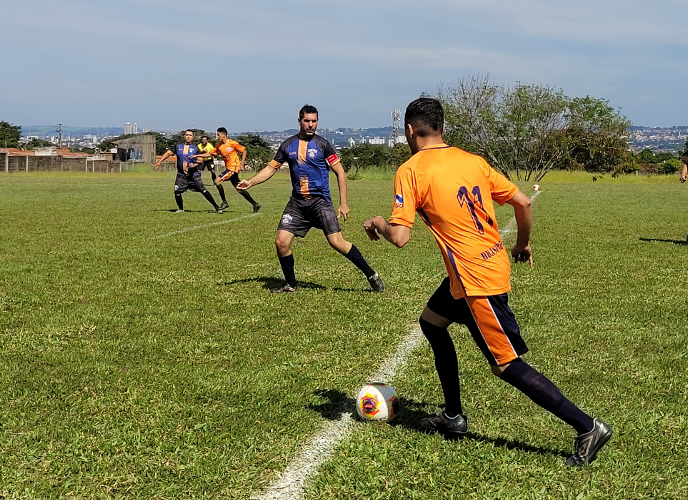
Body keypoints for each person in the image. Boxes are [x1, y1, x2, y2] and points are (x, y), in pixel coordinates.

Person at [362, 97, 611, 466]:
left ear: (410, 131)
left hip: (476, 280)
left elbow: (399, 237)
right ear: (442, 128)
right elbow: (523, 203)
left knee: (505, 365)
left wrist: (377, 222)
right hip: (480, 270)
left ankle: (587, 426)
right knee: (431, 323)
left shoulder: (411, 170)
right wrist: (522, 245)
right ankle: (452, 416)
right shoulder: (472, 161)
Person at [237, 104, 384, 293]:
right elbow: (271, 168)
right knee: (281, 242)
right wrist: (251, 182)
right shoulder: (287, 145)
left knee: (337, 242)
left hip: (320, 202)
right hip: (297, 203)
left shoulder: (323, 144)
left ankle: (371, 275)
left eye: (314, 121)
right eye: (307, 121)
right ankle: (291, 284)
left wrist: (343, 202)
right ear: (299, 121)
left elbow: (340, 172)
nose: (310, 125)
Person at [153, 130, 222, 213]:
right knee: (177, 192)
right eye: (187, 135)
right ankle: (181, 209)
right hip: (181, 175)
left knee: (203, 190)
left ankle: (216, 207)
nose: (188, 136)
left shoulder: (196, 148)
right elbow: (168, 153)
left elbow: (200, 160)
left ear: (192, 137)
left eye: (190, 135)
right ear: (184, 136)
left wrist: (195, 165)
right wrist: (159, 161)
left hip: (194, 175)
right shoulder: (178, 146)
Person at [201, 127, 261, 212]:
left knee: (217, 181)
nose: (217, 137)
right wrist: (197, 155)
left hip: (233, 168)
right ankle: (255, 204)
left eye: (218, 135)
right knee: (239, 188)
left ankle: (224, 202)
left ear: (223, 135)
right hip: (229, 168)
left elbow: (243, 150)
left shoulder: (232, 143)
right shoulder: (219, 146)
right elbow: (210, 153)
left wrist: (242, 163)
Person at [197, 135, 229, 210]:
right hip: (203, 160)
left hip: (209, 160)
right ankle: (198, 182)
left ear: (207, 141)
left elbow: (213, 153)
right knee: (199, 171)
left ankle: (215, 182)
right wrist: (202, 152)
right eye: (203, 140)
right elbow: (198, 153)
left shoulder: (210, 146)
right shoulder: (199, 146)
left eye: (205, 140)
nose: (204, 141)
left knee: (212, 171)